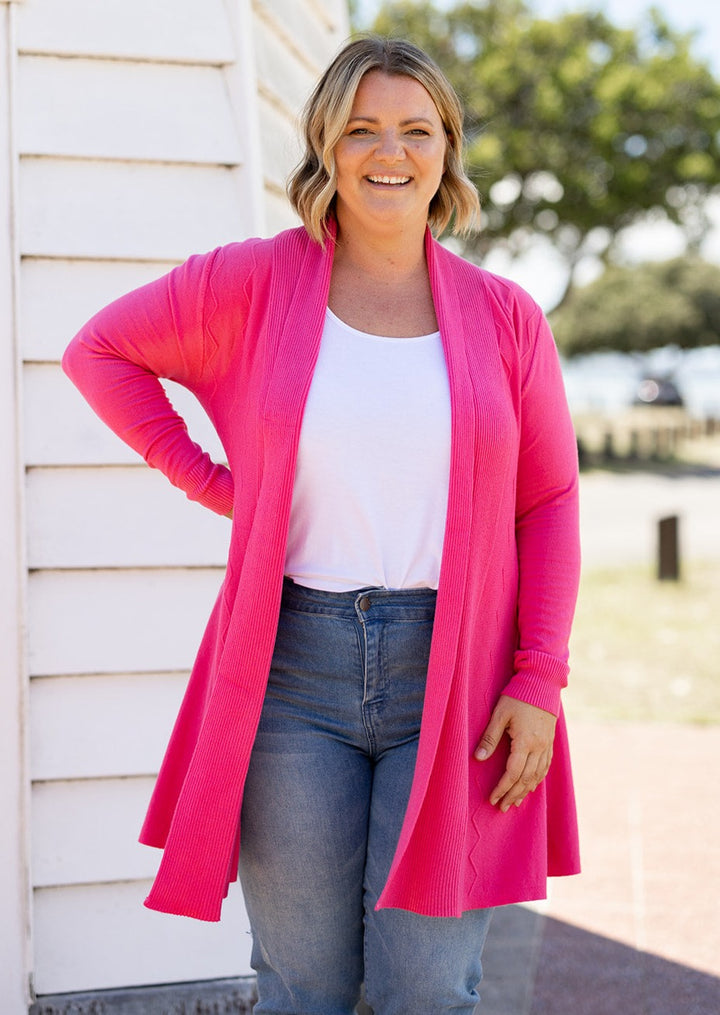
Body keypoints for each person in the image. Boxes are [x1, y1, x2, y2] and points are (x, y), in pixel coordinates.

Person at [63, 35, 581, 1015]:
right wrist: (222, 487)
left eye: (416, 130)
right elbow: (101, 351)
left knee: (428, 990)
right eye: (362, 128)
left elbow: (548, 501)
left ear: (446, 152)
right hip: (291, 678)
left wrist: (539, 676)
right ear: (325, 148)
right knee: (303, 987)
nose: (390, 152)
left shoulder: (506, 316)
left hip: (461, 674)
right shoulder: (254, 283)